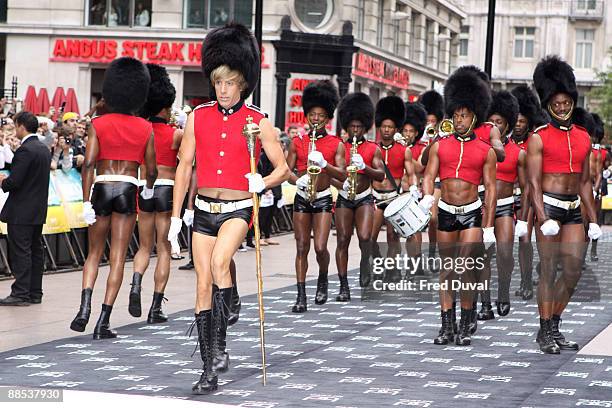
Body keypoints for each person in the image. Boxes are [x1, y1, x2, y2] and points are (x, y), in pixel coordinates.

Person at [167, 23, 289, 395]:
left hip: (237, 208)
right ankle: (209, 367)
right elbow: (184, 167)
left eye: (230, 82)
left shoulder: (258, 121)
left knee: (221, 263)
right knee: (202, 284)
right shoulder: (197, 117)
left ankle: (219, 346)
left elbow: (284, 168)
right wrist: (175, 218)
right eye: (218, 82)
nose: (222, 89)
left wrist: (263, 182)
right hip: (202, 209)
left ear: (243, 84)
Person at [69, 57, 156, 339]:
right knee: (117, 256)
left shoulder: (99, 123)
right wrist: (149, 187)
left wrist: (85, 201)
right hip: (129, 185)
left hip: (102, 185)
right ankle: (103, 321)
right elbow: (151, 169)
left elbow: (89, 163)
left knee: (93, 253)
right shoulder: (145, 127)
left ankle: (84, 309)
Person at [528, 55, 601, 353]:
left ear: (572, 101)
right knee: (547, 270)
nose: (561, 107)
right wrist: (542, 216)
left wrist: (594, 219)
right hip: (548, 206)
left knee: (573, 270)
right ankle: (544, 330)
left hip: (573, 209)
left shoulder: (583, 137)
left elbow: (584, 183)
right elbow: (532, 183)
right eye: (555, 103)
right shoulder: (538, 138)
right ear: (548, 105)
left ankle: (554, 323)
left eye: (565, 102)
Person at [421, 66, 497, 346]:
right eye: (456, 114)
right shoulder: (441, 146)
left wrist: (488, 226)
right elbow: (428, 175)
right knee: (447, 270)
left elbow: (490, 189)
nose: (459, 120)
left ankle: (466, 322)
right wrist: (428, 197)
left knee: (465, 268)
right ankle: (446, 324)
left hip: (472, 214)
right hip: (446, 213)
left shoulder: (486, 151)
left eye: (464, 115)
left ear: (475, 115)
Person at [285, 80, 345, 312]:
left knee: (320, 246)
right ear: (306, 116)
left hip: (321, 196)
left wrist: (325, 165)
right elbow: (286, 170)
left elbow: (342, 174)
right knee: (301, 247)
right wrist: (296, 181)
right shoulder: (297, 142)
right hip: (302, 196)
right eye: (312, 114)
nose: (316, 118)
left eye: (321, 114)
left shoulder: (335, 143)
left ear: (328, 117)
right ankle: (301, 296)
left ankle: (322, 277)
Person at [129, 63, 183, 323]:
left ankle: (136, 283)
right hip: (167, 188)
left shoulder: (141, 131)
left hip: (144, 187)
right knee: (164, 248)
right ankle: (156, 306)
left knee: (143, 246)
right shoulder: (176, 134)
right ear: (167, 106)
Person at [477, 90, 527, 320]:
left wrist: (524, 219)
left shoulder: (518, 152)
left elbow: (527, 187)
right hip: (481, 205)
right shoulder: (478, 147)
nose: (494, 124)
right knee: (483, 255)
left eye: (499, 121)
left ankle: (504, 290)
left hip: (506, 205)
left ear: (507, 124)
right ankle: (485, 303)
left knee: (505, 253)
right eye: (491, 120)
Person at [333, 92, 384, 299]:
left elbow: (380, 175)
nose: (355, 130)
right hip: (345, 196)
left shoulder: (373, 148)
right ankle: (343, 285)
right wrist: (341, 184)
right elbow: (330, 175)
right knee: (343, 239)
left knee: (365, 236)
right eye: (352, 126)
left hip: (364, 196)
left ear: (366, 127)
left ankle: (365, 265)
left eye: (359, 127)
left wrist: (366, 168)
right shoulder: (340, 146)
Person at [0, 111, 51, 306]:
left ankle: (20, 293)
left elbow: (15, 181)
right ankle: (34, 292)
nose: (15, 130)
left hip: (21, 210)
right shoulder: (43, 148)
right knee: (35, 251)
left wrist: (3, 181)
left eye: (16, 126)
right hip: (37, 210)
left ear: (22, 126)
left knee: (21, 251)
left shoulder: (25, 150)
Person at [371, 96, 418, 281]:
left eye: (390, 127)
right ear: (379, 128)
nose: (387, 130)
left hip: (393, 197)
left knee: (392, 236)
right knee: (369, 237)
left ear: (396, 129)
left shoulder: (404, 150)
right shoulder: (373, 149)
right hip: (375, 197)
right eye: (384, 126)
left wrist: (413, 187)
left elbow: (411, 172)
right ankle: (378, 263)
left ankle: (393, 269)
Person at [511, 85, 548, 300]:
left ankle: (533, 280)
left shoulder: (535, 141)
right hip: (512, 197)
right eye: (515, 121)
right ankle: (525, 280)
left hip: (534, 196)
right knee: (521, 241)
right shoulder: (504, 143)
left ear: (529, 122)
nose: (518, 125)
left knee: (529, 239)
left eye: (522, 121)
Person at [417, 90, 444, 260]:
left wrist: (436, 140)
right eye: (428, 121)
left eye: (433, 121)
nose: (430, 124)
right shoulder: (418, 140)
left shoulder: (442, 138)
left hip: (437, 183)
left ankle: (433, 251)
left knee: (434, 219)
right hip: (418, 184)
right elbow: (420, 164)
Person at [589, 112, 606, 261]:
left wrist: (595, 190)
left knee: (595, 220)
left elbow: (599, 173)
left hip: (595, 188)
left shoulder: (598, 153)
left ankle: (593, 249)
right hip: (582, 187)